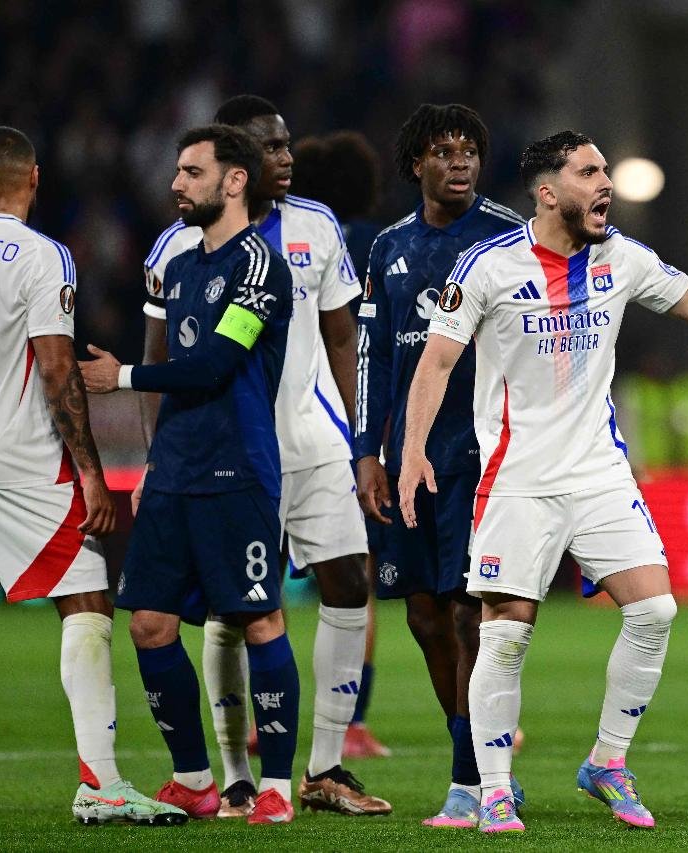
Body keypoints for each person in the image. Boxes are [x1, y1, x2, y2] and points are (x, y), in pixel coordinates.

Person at [399, 130, 688, 833]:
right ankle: (496, 789)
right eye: (589, 172)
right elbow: (437, 361)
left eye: (606, 172)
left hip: (598, 471)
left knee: (654, 611)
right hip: (517, 478)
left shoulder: (620, 257)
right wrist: (412, 449)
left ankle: (607, 761)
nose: (606, 184)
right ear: (547, 191)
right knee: (504, 634)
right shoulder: (488, 266)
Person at [0, 126, 184, 828]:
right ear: (32, 177)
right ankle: (101, 783)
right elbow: (58, 368)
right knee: (87, 600)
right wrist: (91, 472)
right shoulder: (44, 256)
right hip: (25, 460)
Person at [140, 97, 389, 817]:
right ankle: (234, 770)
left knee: (349, 582)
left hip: (312, 444)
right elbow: (159, 360)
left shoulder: (316, 226)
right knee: (234, 608)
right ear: (235, 167)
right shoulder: (178, 246)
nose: (288, 159)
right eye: (271, 149)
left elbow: (341, 336)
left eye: (287, 147)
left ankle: (327, 766)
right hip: (225, 451)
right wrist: (165, 459)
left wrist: (361, 438)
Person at [81, 123, 301, 826]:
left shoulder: (260, 265)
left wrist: (120, 375)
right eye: (177, 171)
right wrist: (153, 457)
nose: (176, 184)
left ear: (234, 181)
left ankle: (276, 789)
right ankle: (195, 778)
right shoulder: (178, 269)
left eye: (191, 171)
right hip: (175, 468)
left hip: (237, 466)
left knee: (259, 617)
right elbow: (181, 384)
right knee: (149, 622)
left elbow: (214, 366)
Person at [355, 102, 526, 827]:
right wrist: (369, 450)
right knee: (423, 615)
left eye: (469, 151)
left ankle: (476, 778)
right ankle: (475, 759)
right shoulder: (388, 248)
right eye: (444, 151)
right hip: (409, 460)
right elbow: (375, 359)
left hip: (482, 456)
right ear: (417, 162)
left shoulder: (508, 236)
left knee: (467, 615)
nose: (459, 162)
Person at [291, 130, 391, 759]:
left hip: (288, 420)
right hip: (357, 427)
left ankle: (253, 719)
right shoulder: (377, 247)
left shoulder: (291, 241)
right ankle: (350, 721)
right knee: (360, 580)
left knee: (257, 582)